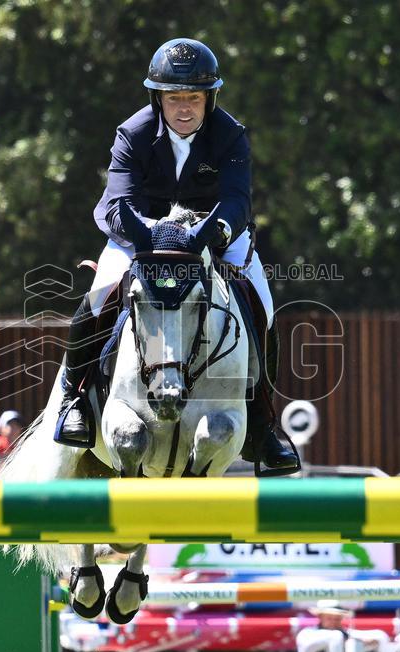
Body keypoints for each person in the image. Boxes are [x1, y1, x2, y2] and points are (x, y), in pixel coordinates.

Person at [54, 37, 299, 476]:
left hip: (213, 235)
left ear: (209, 98)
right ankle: (75, 401)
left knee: (262, 306)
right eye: (174, 98)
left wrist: (208, 235)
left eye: (194, 98)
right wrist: (151, 235)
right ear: (158, 98)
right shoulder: (133, 133)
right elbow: (116, 203)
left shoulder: (230, 134)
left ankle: (264, 423)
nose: (184, 108)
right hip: (142, 237)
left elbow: (237, 201)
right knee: (98, 295)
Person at [296, 606, 395, 652]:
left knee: (380, 635)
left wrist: (368, 641)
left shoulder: (345, 632)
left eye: (337, 619)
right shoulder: (307, 633)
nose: (334, 622)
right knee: (336, 636)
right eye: (329, 618)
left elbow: (355, 636)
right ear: (320, 618)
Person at [0, 410, 24, 475]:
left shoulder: (24, 444)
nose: (14, 427)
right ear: (1, 428)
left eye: (17, 424)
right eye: (10, 424)